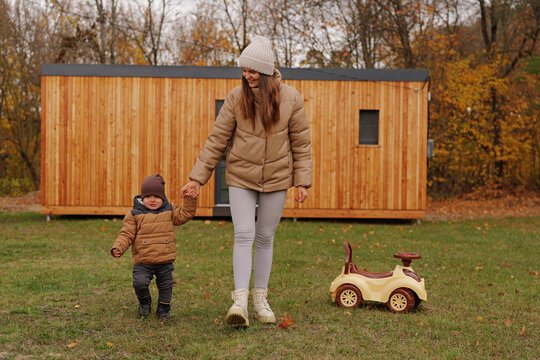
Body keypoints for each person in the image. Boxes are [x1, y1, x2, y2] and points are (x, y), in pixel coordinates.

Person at [181, 35, 312, 327]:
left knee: (265, 237)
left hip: (277, 179)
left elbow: (301, 143)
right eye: (244, 70)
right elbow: (217, 140)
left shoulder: (290, 98)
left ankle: (260, 299)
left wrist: (301, 181)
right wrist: (197, 180)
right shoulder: (236, 98)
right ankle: (239, 300)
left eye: (252, 71)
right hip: (241, 176)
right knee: (243, 234)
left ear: (266, 71)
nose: (247, 76)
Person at [111, 174, 197, 319]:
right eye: (148, 196)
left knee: (166, 286)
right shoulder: (134, 215)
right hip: (143, 261)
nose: (152, 200)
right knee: (139, 283)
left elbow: (186, 214)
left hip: (164, 260)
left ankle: (163, 308)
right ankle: (144, 301)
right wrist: (118, 247)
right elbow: (126, 234)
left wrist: (189, 199)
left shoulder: (169, 211)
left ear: (162, 198)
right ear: (142, 197)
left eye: (156, 196)